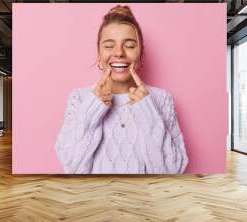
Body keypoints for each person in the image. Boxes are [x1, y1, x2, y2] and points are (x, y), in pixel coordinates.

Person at [55, 5, 188, 174]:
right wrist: (91, 110)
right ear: (99, 54)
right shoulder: (80, 98)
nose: (119, 53)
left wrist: (147, 111)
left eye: (130, 46)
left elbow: (173, 170)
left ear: (141, 55)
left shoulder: (162, 99)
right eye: (109, 46)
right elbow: (72, 168)